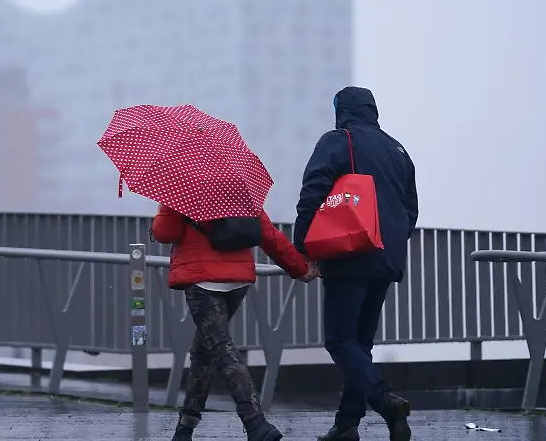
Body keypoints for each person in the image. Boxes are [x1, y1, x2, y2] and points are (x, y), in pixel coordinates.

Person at [293, 86, 419, 441]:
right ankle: (347, 424)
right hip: (386, 256)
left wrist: (303, 247)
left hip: (348, 253)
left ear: (341, 110)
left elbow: (312, 193)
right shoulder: (398, 150)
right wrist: (390, 243)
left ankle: (384, 400)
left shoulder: (338, 140)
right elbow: (411, 209)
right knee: (359, 343)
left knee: (339, 339)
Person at [152, 204, 320, 441]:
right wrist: (300, 267)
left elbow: (165, 233)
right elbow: (268, 234)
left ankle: (256, 423)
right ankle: (185, 428)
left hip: (202, 280)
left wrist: (162, 212)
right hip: (237, 280)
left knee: (221, 349)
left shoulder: (183, 189)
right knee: (203, 350)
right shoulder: (237, 185)